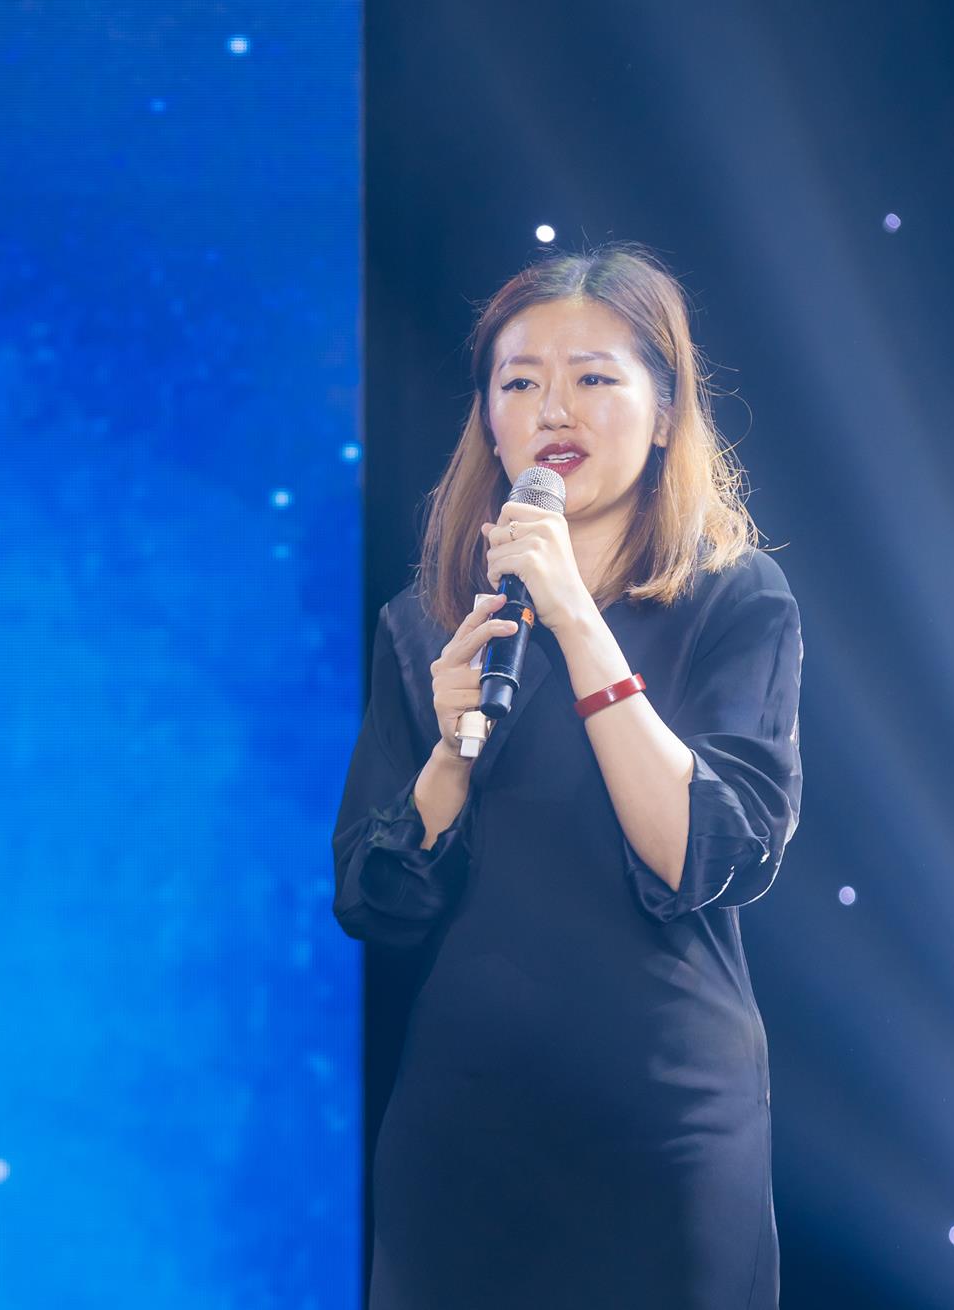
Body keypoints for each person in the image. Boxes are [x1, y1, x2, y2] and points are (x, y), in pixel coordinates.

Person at [332, 244, 803, 1309]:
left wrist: (577, 621)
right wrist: (450, 749)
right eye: (519, 382)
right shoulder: (425, 624)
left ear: (665, 411)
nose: (554, 409)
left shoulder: (736, 601)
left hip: (664, 1127)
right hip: (465, 1132)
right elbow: (373, 897)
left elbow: (702, 856)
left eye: (593, 377)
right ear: (488, 420)